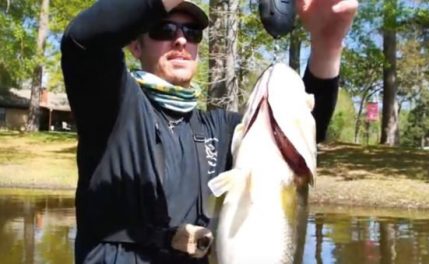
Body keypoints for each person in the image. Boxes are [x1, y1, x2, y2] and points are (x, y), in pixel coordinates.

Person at [61, 0, 358, 263]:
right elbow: (84, 40)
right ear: (136, 46)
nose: (180, 41)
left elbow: (298, 136)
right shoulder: (110, 105)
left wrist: (326, 45)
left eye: (192, 34)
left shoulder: (221, 129)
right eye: (163, 30)